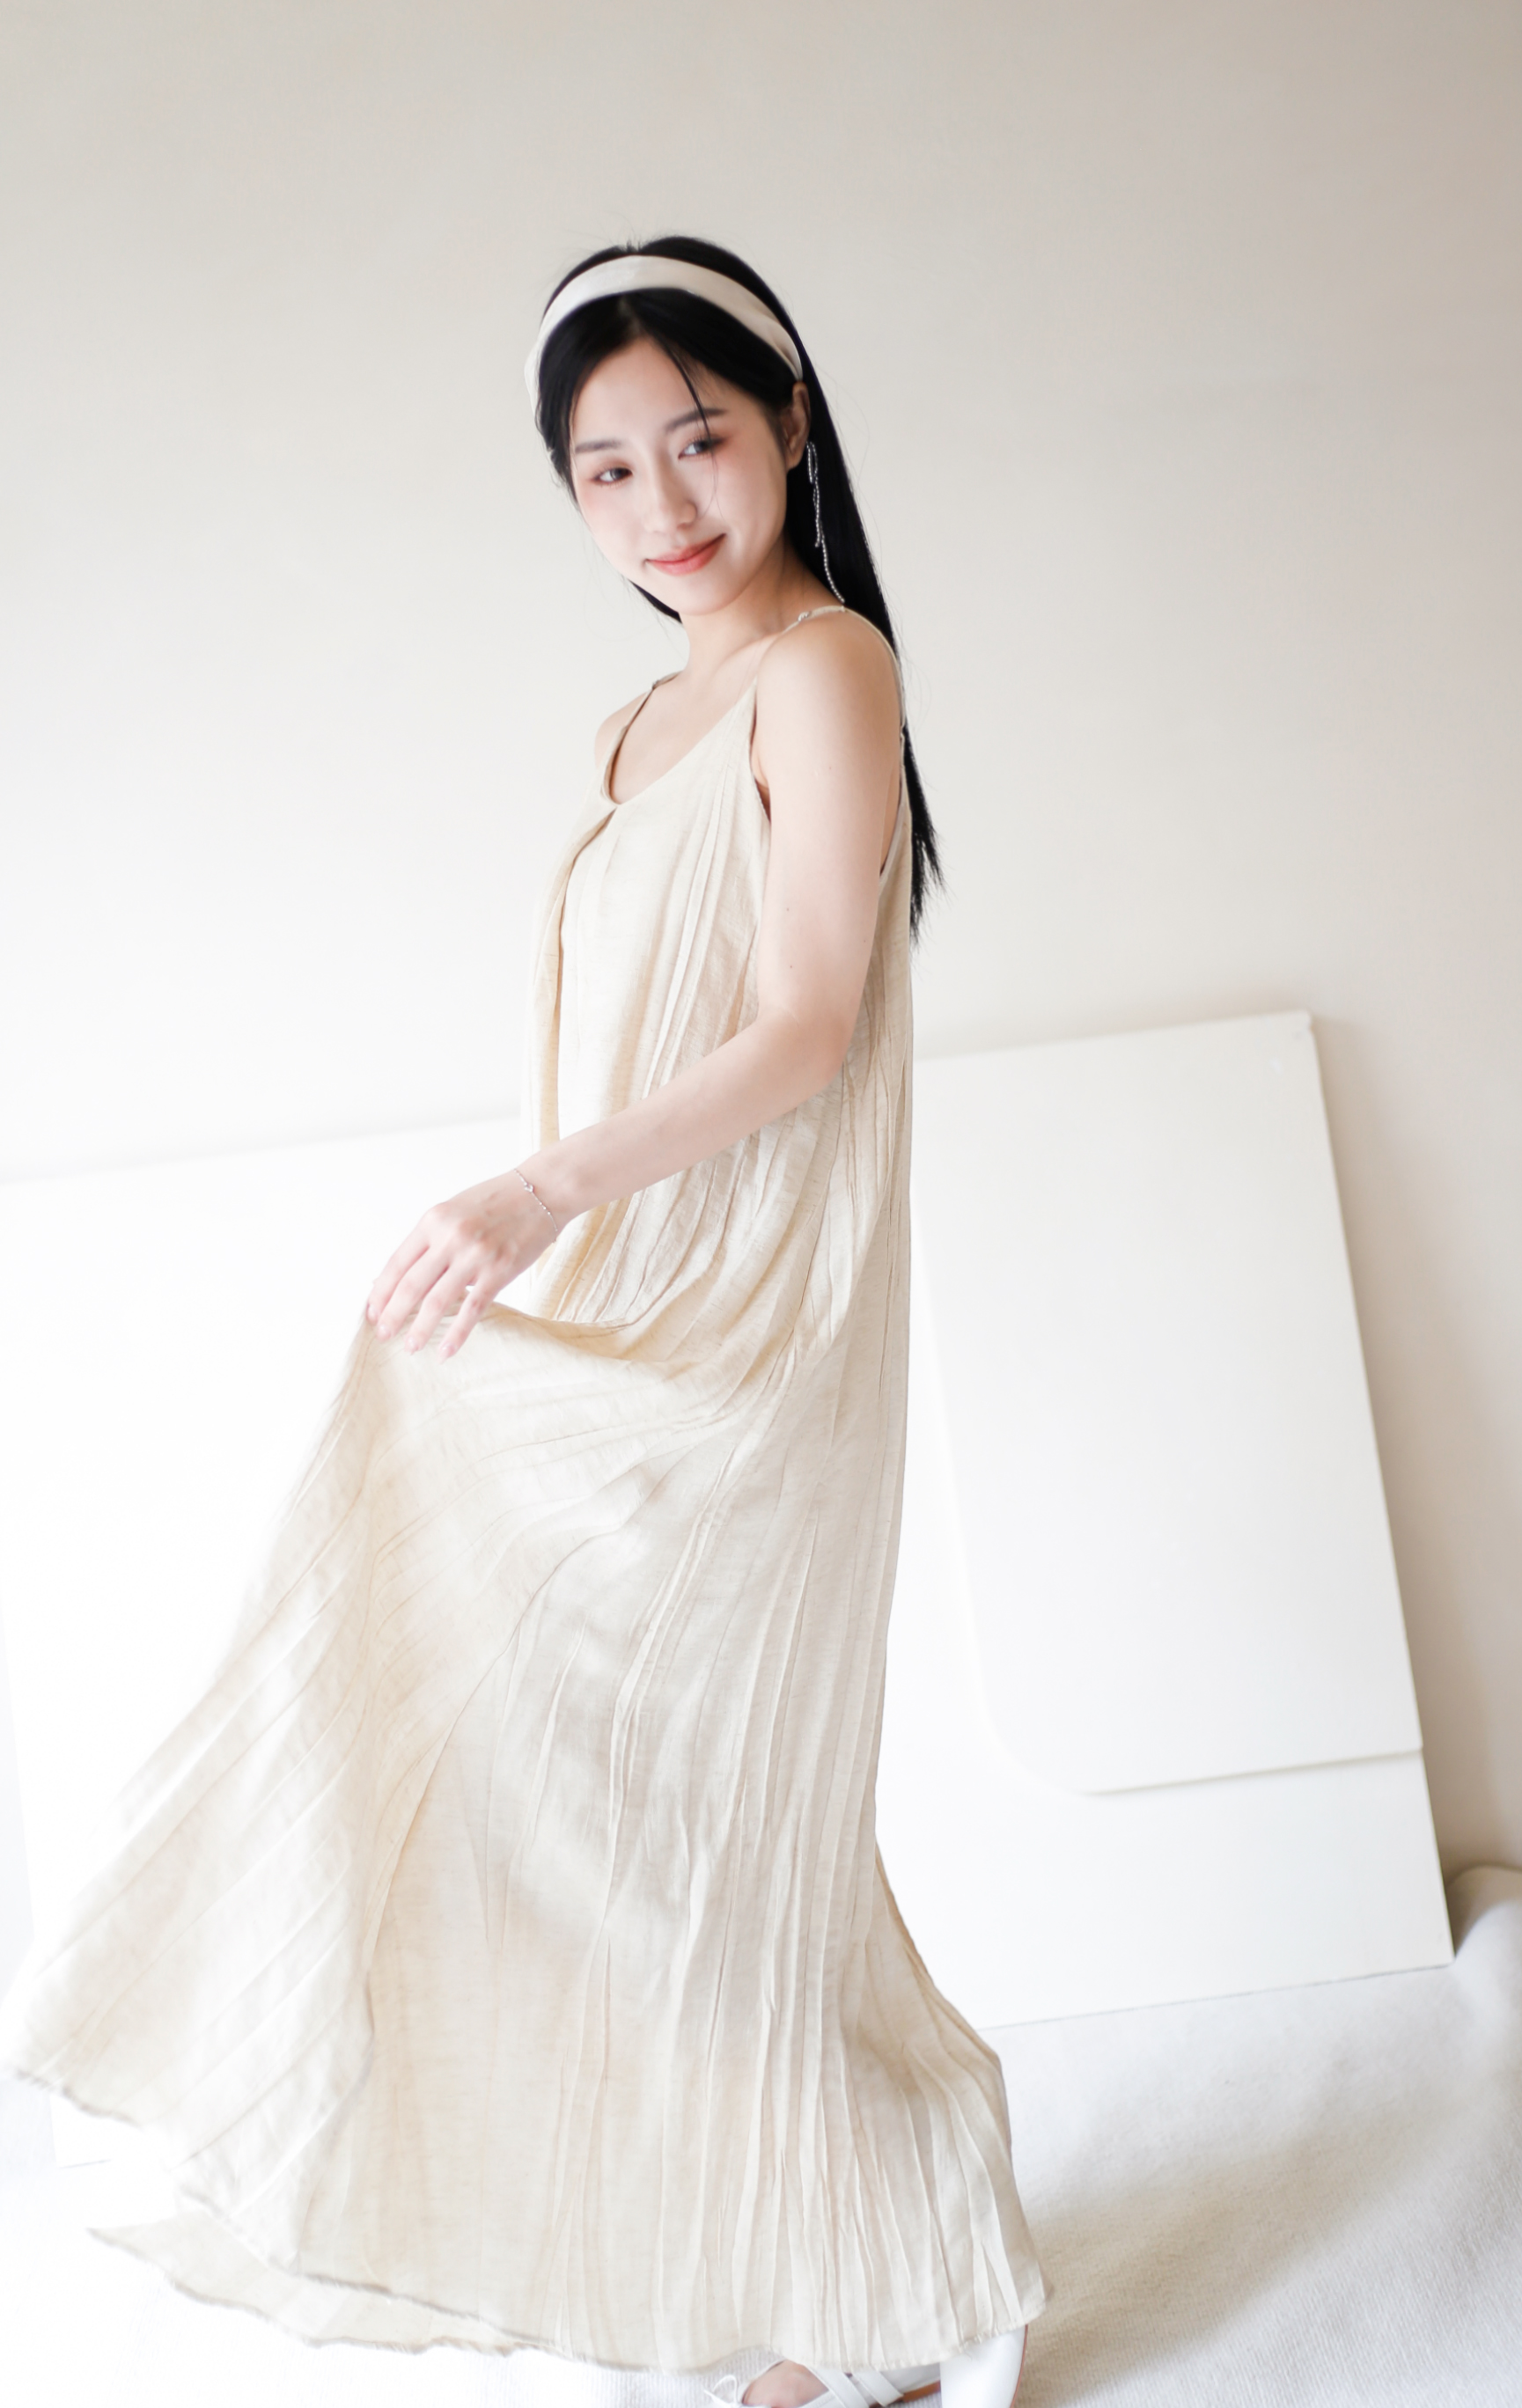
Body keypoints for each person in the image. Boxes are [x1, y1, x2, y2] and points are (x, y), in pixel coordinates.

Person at [0, 237, 1047, 2408]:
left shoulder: (825, 669)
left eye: (700, 440)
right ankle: (810, 2264)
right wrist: (555, 1241)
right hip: (630, 1296)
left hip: (753, 1328)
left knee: (701, 1815)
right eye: (606, 470)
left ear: (791, 430)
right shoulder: (636, 720)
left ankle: (868, 2286)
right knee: (590, 1808)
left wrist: (532, 1193)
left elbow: (805, 1022)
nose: (664, 502)